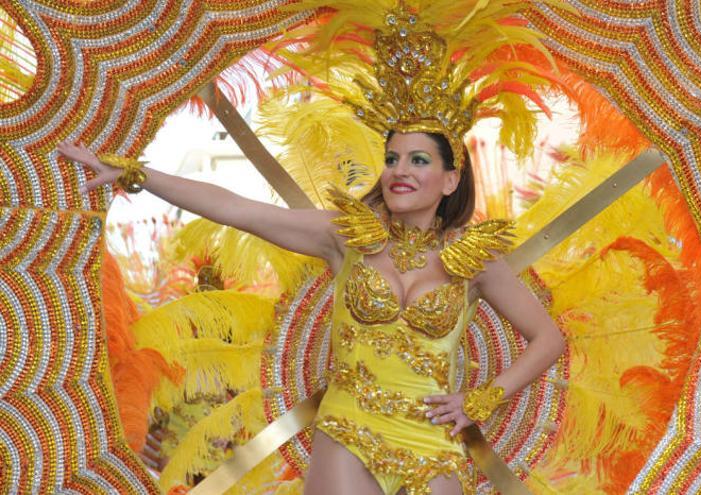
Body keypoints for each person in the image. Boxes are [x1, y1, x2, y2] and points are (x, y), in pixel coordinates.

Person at [56, 128, 566, 494]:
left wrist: (480, 400)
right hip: (349, 426)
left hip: (432, 437)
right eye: (391, 159)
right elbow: (238, 208)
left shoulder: (474, 260)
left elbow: (548, 338)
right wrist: (138, 175)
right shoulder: (344, 237)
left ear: (451, 181)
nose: (399, 171)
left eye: (417, 160)